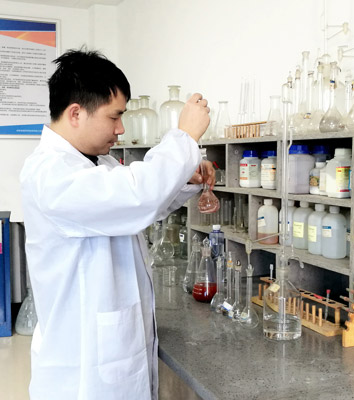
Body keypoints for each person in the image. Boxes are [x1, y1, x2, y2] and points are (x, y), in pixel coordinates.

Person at [20, 49, 214, 400]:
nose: (121, 129)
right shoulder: (50, 173)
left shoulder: (98, 164)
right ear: (76, 113)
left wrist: (185, 179)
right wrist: (184, 138)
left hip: (110, 349)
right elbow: (137, 196)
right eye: (115, 116)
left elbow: (137, 209)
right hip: (82, 373)